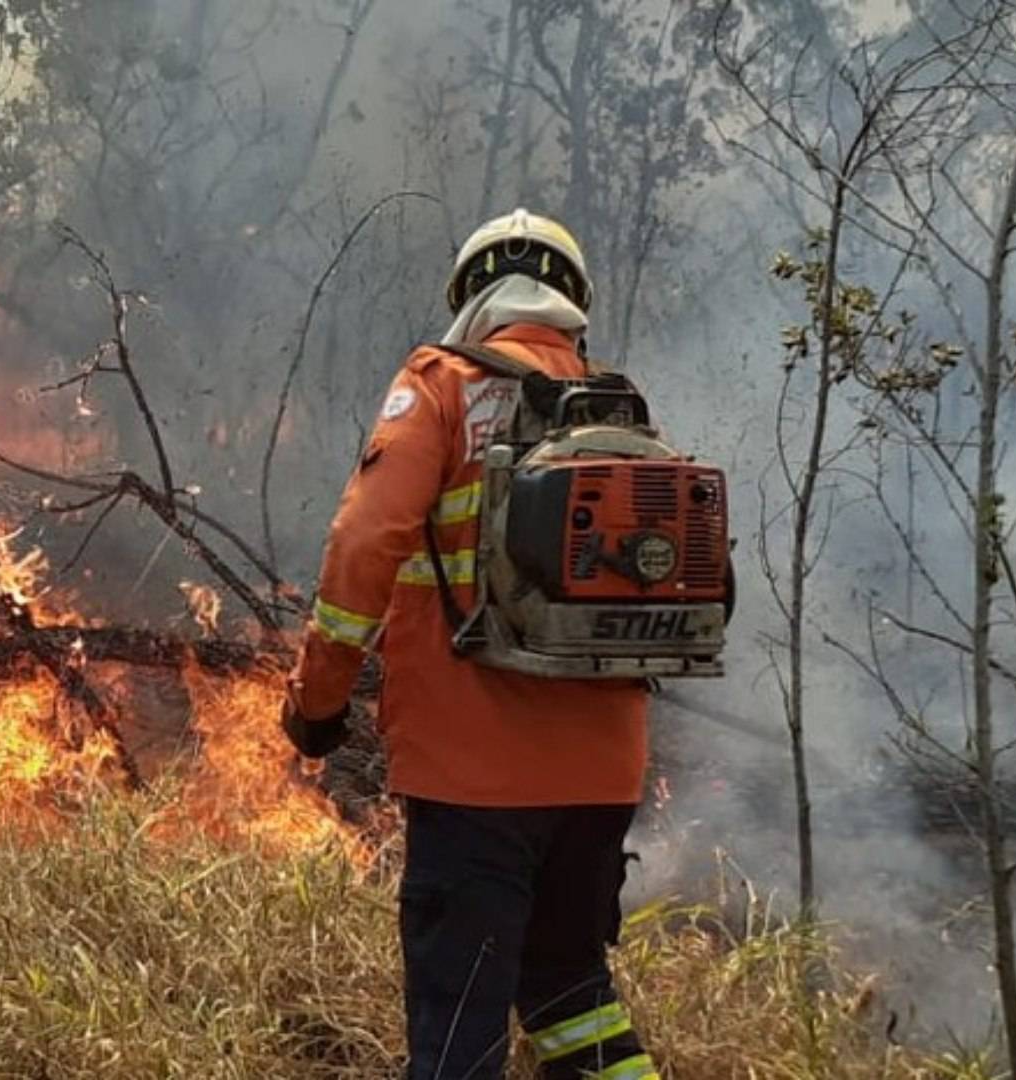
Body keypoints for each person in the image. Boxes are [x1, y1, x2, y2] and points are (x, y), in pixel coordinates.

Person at [281, 209, 658, 1080]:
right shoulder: (618, 406)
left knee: (459, 1025)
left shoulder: (443, 384)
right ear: (572, 300)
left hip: (475, 778)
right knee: (569, 987)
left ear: (470, 297)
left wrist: (318, 705)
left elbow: (363, 546)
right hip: (603, 782)